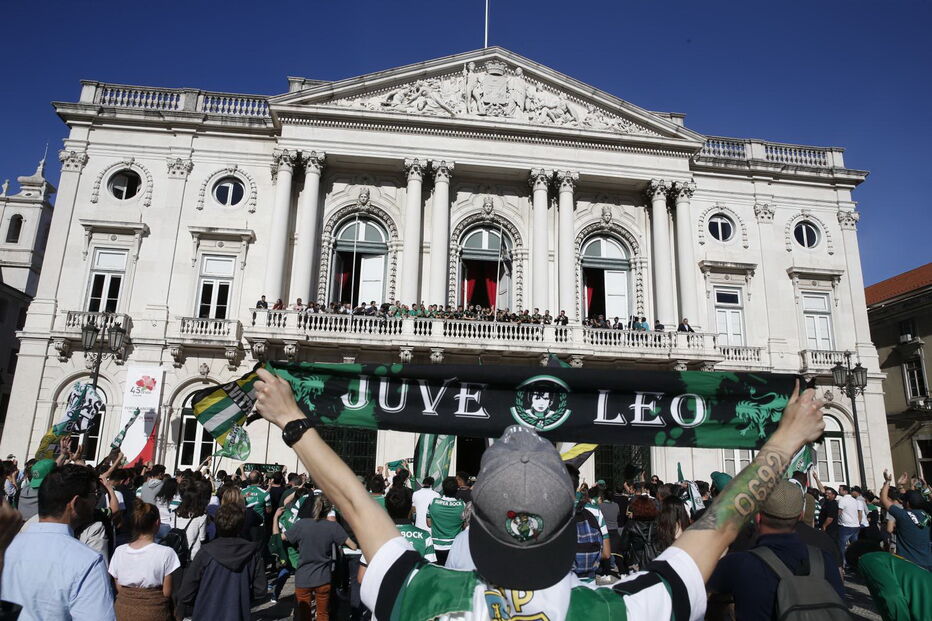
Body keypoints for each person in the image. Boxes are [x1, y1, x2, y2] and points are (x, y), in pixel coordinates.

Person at [252, 368, 826, 620]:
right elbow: (720, 525)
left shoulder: (422, 594)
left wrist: (292, 421)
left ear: (473, 521)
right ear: (569, 521)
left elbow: (354, 502)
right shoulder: (619, 609)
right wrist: (789, 439)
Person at [707, 479, 845, 621]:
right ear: (800, 515)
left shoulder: (738, 563)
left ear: (758, 515)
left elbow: (701, 596)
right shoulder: (824, 560)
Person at [1, 463, 115, 620]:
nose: (96, 499)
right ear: (76, 502)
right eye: (94, 493)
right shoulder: (88, 561)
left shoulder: (8, 546)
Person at [178, 503, 267, 621]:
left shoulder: (205, 553)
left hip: (206, 613)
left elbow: (186, 593)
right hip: (237, 613)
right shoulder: (252, 553)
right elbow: (260, 590)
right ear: (241, 526)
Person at [284, 494, 357, 621]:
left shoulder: (301, 525)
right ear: (329, 510)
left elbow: (284, 538)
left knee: (304, 615)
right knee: (323, 613)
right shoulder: (333, 527)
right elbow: (353, 546)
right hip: (323, 577)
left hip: (303, 576)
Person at [108, 501, 179, 620]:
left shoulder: (119, 551)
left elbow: (119, 587)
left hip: (124, 611)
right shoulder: (166, 553)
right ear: (157, 523)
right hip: (155, 612)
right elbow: (167, 592)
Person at [879, 469, 932, 570]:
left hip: (908, 563)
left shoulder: (902, 515)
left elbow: (884, 499)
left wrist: (887, 481)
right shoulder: (927, 514)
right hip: (928, 562)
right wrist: (924, 487)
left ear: (907, 503)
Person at [384, 488, 436, 562]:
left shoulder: (377, 536)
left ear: (387, 509)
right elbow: (430, 569)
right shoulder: (425, 537)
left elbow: (365, 570)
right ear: (410, 509)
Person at [427, 477, 466, 565]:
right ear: (457, 489)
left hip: (436, 546)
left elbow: (429, 523)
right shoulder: (462, 505)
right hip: (454, 547)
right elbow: (464, 526)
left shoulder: (433, 502)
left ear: (443, 488)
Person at [836, 484, 862, 554]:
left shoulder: (842, 500)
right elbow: (859, 512)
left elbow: (839, 512)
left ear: (845, 491)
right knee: (854, 546)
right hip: (855, 525)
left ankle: (843, 562)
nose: (838, 491)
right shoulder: (854, 500)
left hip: (846, 526)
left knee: (841, 546)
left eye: (840, 489)